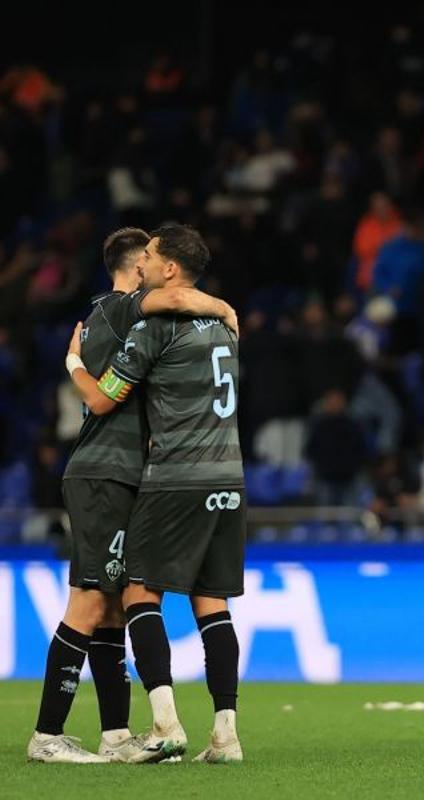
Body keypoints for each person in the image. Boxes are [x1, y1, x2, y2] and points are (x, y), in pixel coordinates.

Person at [29, 227, 237, 764]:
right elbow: (175, 296)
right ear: (134, 267)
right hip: (107, 473)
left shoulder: (104, 313)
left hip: (128, 475)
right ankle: (48, 734)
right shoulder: (130, 309)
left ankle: (117, 733)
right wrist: (223, 307)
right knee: (93, 599)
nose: (147, 261)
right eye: (143, 254)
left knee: (118, 606)